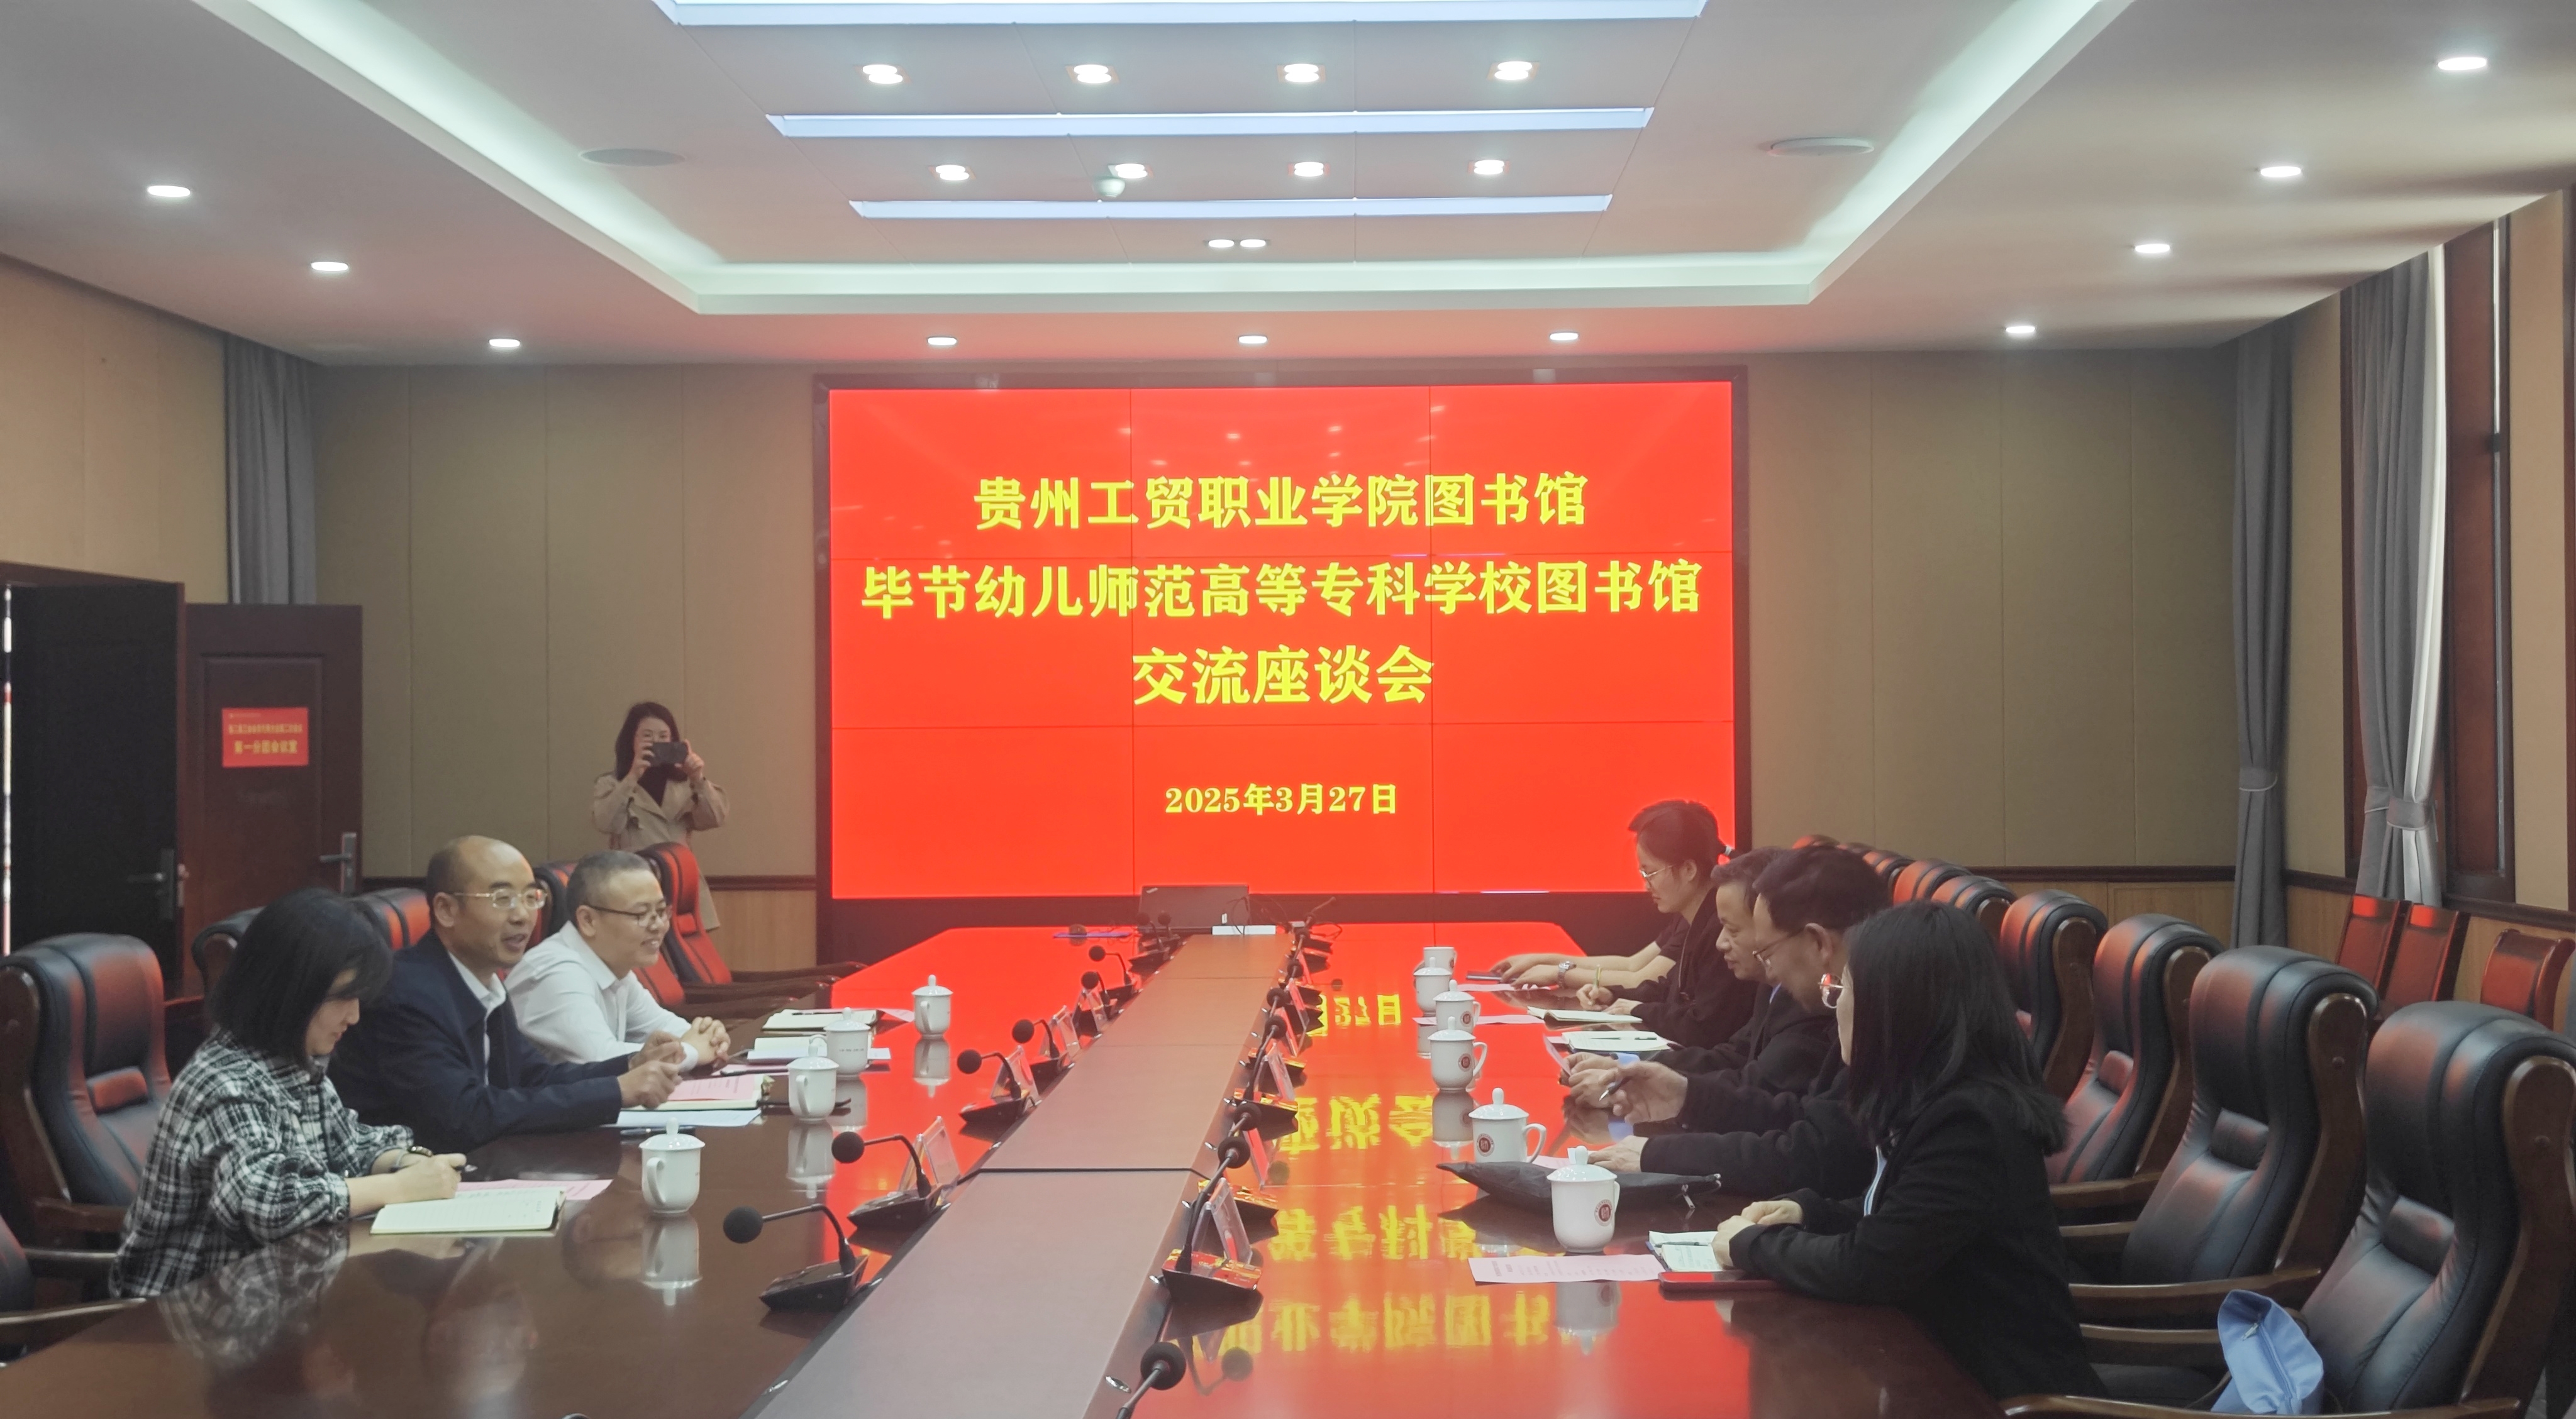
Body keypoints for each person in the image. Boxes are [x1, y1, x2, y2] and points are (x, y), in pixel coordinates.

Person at [1712, 903, 2102, 1402]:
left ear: (1895, 1007)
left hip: (1998, 1396)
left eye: (1844, 989)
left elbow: (1869, 1268)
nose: (1835, 1005)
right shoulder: (1935, 1095)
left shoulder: (1970, 1124)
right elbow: (1903, 1220)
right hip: (1937, 1369)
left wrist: (1753, 1246)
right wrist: (1810, 1211)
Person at [113, 889, 465, 1298]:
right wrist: (401, 1188)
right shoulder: (225, 1081)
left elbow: (348, 1144)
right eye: (343, 997)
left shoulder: (292, 1063)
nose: (354, 1016)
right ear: (290, 991)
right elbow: (271, 1205)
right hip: (179, 1314)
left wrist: (409, 1163)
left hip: (266, 1298)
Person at [330, 836, 684, 1154]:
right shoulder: (407, 996)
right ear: (446, 910)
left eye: (531, 898)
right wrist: (616, 1091)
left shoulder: (484, 982)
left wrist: (629, 1066)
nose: (522, 916)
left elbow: (532, 1077)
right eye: (502, 899)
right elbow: (464, 1116)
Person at [1582, 844, 1885, 1200]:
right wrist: (1682, 1094)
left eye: (1767, 949)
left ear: (1817, 941)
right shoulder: (1814, 996)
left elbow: (1815, 1152)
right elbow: (1794, 1111)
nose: (1766, 963)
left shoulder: (1847, 1016)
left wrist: (1666, 1149)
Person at [1563, 846, 1831, 1097]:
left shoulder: (1810, 1005)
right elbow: (1731, 1057)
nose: (1720, 943)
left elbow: (1757, 1089)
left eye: (1733, 930)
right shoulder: (1772, 987)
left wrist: (1665, 1093)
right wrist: (1625, 1065)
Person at [509, 849, 730, 1068]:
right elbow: (603, 1060)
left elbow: (662, 1025)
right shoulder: (556, 973)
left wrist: (710, 1039)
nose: (658, 926)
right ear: (588, 920)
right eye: (640, 914)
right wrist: (693, 1051)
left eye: (661, 912)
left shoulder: (612, 965)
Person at [592, 701, 728, 930]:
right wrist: (632, 777)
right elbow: (606, 823)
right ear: (631, 740)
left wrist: (698, 778)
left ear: (674, 740)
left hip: (681, 883)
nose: (656, 742)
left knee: (687, 951)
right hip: (636, 884)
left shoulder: (685, 783)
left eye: (664, 736)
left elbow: (716, 818)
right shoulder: (612, 784)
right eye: (647, 736)